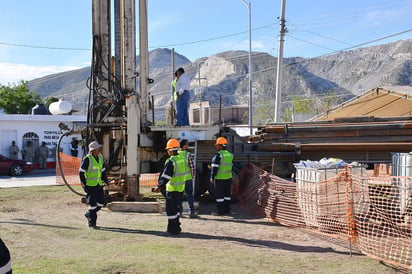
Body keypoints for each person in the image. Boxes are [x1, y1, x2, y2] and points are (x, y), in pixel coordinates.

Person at [157, 139, 186, 235]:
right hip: (180, 189)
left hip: (172, 190)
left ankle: (172, 230)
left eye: (168, 149)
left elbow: (166, 176)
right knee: (176, 210)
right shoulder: (182, 159)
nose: (167, 151)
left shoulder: (171, 161)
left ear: (171, 150)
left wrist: (160, 185)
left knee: (171, 210)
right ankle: (177, 227)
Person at [79, 141, 109, 229]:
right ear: (93, 150)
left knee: (101, 203)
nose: (99, 149)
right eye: (97, 148)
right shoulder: (87, 159)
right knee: (92, 205)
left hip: (99, 185)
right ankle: (92, 224)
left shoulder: (100, 158)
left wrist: (105, 180)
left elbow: (103, 171)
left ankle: (89, 214)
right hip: (90, 186)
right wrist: (85, 184)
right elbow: (81, 173)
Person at [210, 137, 233, 216]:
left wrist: (212, 177)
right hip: (228, 178)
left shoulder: (218, 155)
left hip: (220, 178)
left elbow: (215, 168)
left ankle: (220, 211)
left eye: (217, 145)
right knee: (227, 195)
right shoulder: (230, 155)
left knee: (219, 195)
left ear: (221, 146)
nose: (216, 147)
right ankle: (227, 210)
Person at [178, 139, 196, 218]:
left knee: (179, 196)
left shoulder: (177, 154)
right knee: (190, 196)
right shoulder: (188, 154)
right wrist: (193, 176)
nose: (188, 145)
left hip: (179, 179)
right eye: (187, 144)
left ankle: (180, 212)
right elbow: (192, 167)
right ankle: (191, 212)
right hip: (188, 178)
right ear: (184, 145)